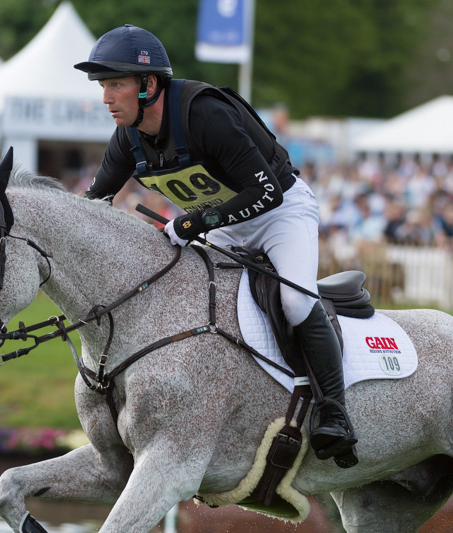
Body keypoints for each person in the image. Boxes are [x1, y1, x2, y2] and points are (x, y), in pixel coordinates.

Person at [74, 25, 357, 467]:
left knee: (296, 302)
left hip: (279, 213)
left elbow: (267, 192)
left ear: (149, 85)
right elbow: (91, 207)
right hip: (223, 223)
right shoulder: (127, 138)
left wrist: (194, 221)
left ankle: (335, 413)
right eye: (102, 87)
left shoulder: (205, 115)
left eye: (115, 85)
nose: (106, 98)